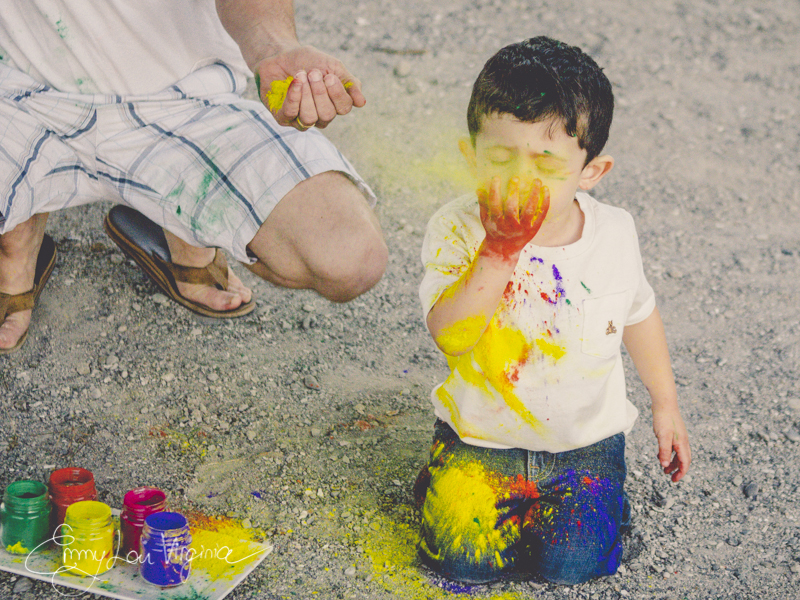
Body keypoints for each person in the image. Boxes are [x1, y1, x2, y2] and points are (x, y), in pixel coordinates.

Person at [413, 37, 691, 585]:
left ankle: (604, 504)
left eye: (546, 163)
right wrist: (497, 253)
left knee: (574, 567)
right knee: (460, 564)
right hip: (481, 442)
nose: (521, 178)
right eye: (499, 158)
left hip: (583, 449)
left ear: (591, 171)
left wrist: (666, 402)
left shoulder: (614, 234)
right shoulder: (458, 229)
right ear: (470, 156)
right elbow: (450, 336)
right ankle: (439, 479)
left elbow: (638, 312)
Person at [0, 0, 387, 354]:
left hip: (183, 99)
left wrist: (274, 46)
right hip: (18, 98)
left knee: (350, 259)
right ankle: (16, 244)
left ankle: (179, 225)